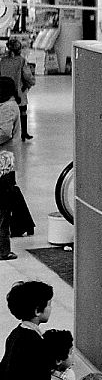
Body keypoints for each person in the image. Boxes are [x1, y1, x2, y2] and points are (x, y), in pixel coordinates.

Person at [0, 38, 35, 140]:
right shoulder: (21, 60)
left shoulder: (2, 61)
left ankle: (9, 133)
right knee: (22, 111)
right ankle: (24, 133)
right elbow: (27, 75)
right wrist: (30, 83)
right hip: (19, 90)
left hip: (4, 91)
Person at [0, 76, 18, 261]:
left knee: (3, 208)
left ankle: (3, 249)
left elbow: (4, 133)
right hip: (4, 162)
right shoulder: (6, 106)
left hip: (4, 163)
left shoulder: (7, 108)